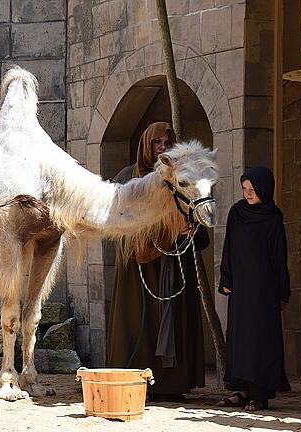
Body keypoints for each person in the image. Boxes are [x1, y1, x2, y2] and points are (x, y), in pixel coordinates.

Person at [106, 122, 207, 401]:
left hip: (173, 264)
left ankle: (170, 385)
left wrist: (190, 226)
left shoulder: (182, 176)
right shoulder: (128, 177)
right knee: (138, 320)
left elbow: (198, 212)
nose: (162, 148)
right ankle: (134, 382)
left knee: (173, 320)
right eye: (157, 143)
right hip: (138, 266)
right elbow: (116, 220)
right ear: (146, 145)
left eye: (167, 142)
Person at [217, 166, 290, 411]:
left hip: (263, 290)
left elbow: (280, 257)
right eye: (245, 189)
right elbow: (229, 247)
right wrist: (225, 278)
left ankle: (260, 395)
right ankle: (242, 391)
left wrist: (282, 291)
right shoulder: (237, 213)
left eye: (253, 189)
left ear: (265, 189)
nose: (248, 194)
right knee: (239, 339)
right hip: (240, 288)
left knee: (260, 340)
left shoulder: (273, 216)